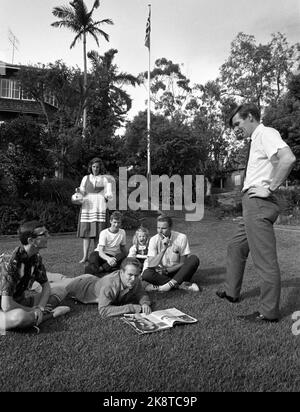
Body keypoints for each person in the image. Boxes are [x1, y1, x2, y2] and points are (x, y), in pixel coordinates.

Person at [216, 103, 296, 323]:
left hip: (259, 203)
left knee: (264, 260)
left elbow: (288, 159)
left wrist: (270, 188)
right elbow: (275, 162)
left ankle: (268, 311)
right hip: (252, 204)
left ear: (250, 117)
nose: (235, 129)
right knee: (236, 246)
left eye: (237, 123)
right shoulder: (258, 140)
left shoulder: (265, 133)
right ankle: (232, 292)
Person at [0, 221, 70, 333]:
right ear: (31, 241)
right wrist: (33, 309)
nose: (48, 236)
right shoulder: (10, 264)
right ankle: (50, 315)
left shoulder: (35, 257)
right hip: (5, 306)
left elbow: (46, 286)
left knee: (60, 290)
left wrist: (40, 308)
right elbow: (6, 305)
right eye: (44, 234)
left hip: (18, 301)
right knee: (20, 316)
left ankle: (35, 317)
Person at [47, 257, 151, 319]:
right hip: (79, 286)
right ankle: (38, 277)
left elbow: (141, 292)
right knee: (47, 287)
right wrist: (132, 308)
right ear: (121, 272)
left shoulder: (135, 280)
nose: (133, 279)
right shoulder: (109, 285)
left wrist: (145, 303)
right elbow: (104, 311)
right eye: (130, 275)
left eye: (136, 275)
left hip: (91, 279)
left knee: (64, 278)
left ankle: (49, 275)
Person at [142, 215, 200, 292]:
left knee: (194, 259)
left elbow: (183, 263)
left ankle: (163, 286)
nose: (160, 231)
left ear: (170, 227)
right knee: (146, 274)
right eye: (158, 228)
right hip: (162, 273)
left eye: (163, 228)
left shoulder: (181, 237)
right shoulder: (153, 240)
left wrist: (167, 271)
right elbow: (151, 264)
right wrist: (164, 249)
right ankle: (181, 286)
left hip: (178, 272)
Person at [77, 157, 111, 264]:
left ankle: (96, 256)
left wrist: (106, 196)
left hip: (100, 207)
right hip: (88, 207)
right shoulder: (85, 178)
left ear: (100, 168)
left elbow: (109, 193)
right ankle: (85, 256)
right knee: (86, 233)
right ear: (90, 167)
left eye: (97, 167)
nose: (95, 169)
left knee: (98, 233)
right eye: (94, 166)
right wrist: (78, 192)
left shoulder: (104, 179)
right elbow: (82, 192)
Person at [84, 211, 127, 276]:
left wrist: (128, 256)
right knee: (93, 256)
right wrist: (108, 259)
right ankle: (90, 275)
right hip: (101, 254)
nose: (116, 225)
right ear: (110, 221)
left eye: (118, 223)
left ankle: (100, 270)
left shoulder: (122, 232)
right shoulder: (104, 233)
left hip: (114, 256)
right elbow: (101, 252)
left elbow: (123, 247)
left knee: (122, 256)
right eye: (114, 222)